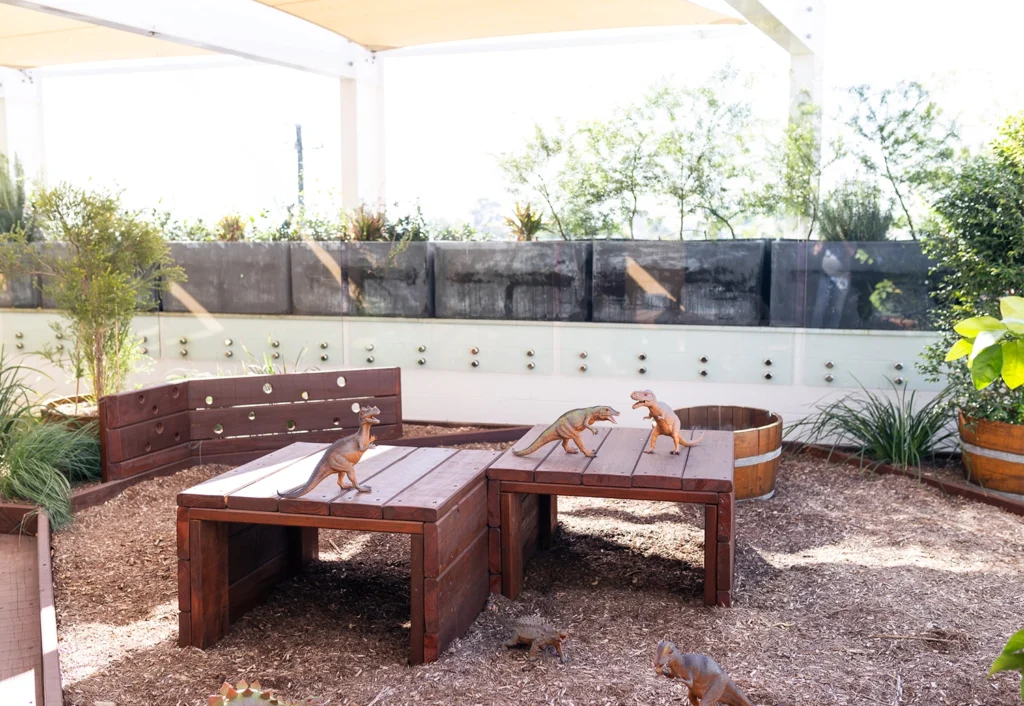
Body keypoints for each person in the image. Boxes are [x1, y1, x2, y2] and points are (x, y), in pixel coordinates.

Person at [809, 241, 852, 328]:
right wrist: (821, 244)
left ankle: (833, 331)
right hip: (825, 275)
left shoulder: (847, 235)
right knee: (820, 304)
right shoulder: (827, 236)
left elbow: (851, 252)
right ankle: (814, 332)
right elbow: (815, 252)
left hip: (842, 276)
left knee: (838, 307)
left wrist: (842, 238)